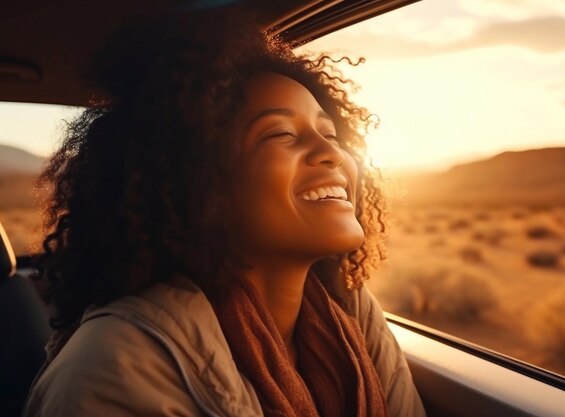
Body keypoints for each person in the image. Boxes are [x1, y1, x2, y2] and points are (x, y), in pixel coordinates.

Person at [23, 8, 426, 417]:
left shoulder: (351, 311)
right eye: (281, 134)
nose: (332, 154)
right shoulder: (116, 366)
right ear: (198, 180)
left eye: (330, 134)